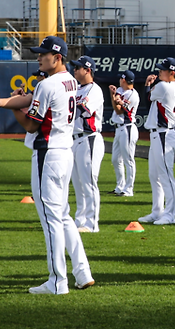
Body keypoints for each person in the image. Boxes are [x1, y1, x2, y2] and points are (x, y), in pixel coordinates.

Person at [0, 36, 94, 294]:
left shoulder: (48, 85)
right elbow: (30, 100)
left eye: (43, 54)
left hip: (48, 153)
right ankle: (82, 273)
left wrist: (12, 111)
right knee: (63, 215)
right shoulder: (69, 79)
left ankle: (57, 282)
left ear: (57, 57)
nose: (38, 57)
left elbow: (30, 124)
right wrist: (5, 102)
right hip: (64, 150)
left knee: (51, 220)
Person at [138, 58, 175, 225]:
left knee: (166, 176)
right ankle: (157, 211)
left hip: (164, 134)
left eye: (163, 70)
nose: (159, 72)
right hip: (159, 134)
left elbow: (147, 98)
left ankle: (170, 214)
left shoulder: (164, 86)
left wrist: (148, 85)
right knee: (154, 175)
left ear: (172, 72)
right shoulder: (171, 86)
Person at [69, 56, 105, 233]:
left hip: (89, 138)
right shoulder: (77, 89)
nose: (75, 70)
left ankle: (92, 223)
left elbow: (83, 109)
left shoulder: (94, 90)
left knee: (89, 182)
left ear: (88, 70)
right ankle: (80, 220)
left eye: (78, 67)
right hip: (75, 139)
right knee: (78, 183)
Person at [108, 70, 140, 197]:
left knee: (128, 160)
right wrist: (114, 95)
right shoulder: (121, 91)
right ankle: (120, 186)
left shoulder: (133, 95)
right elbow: (116, 107)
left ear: (124, 80)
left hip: (127, 128)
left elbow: (119, 111)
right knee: (115, 159)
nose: (120, 81)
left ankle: (129, 189)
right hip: (119, 128)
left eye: (121, 79)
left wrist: (114, 97)